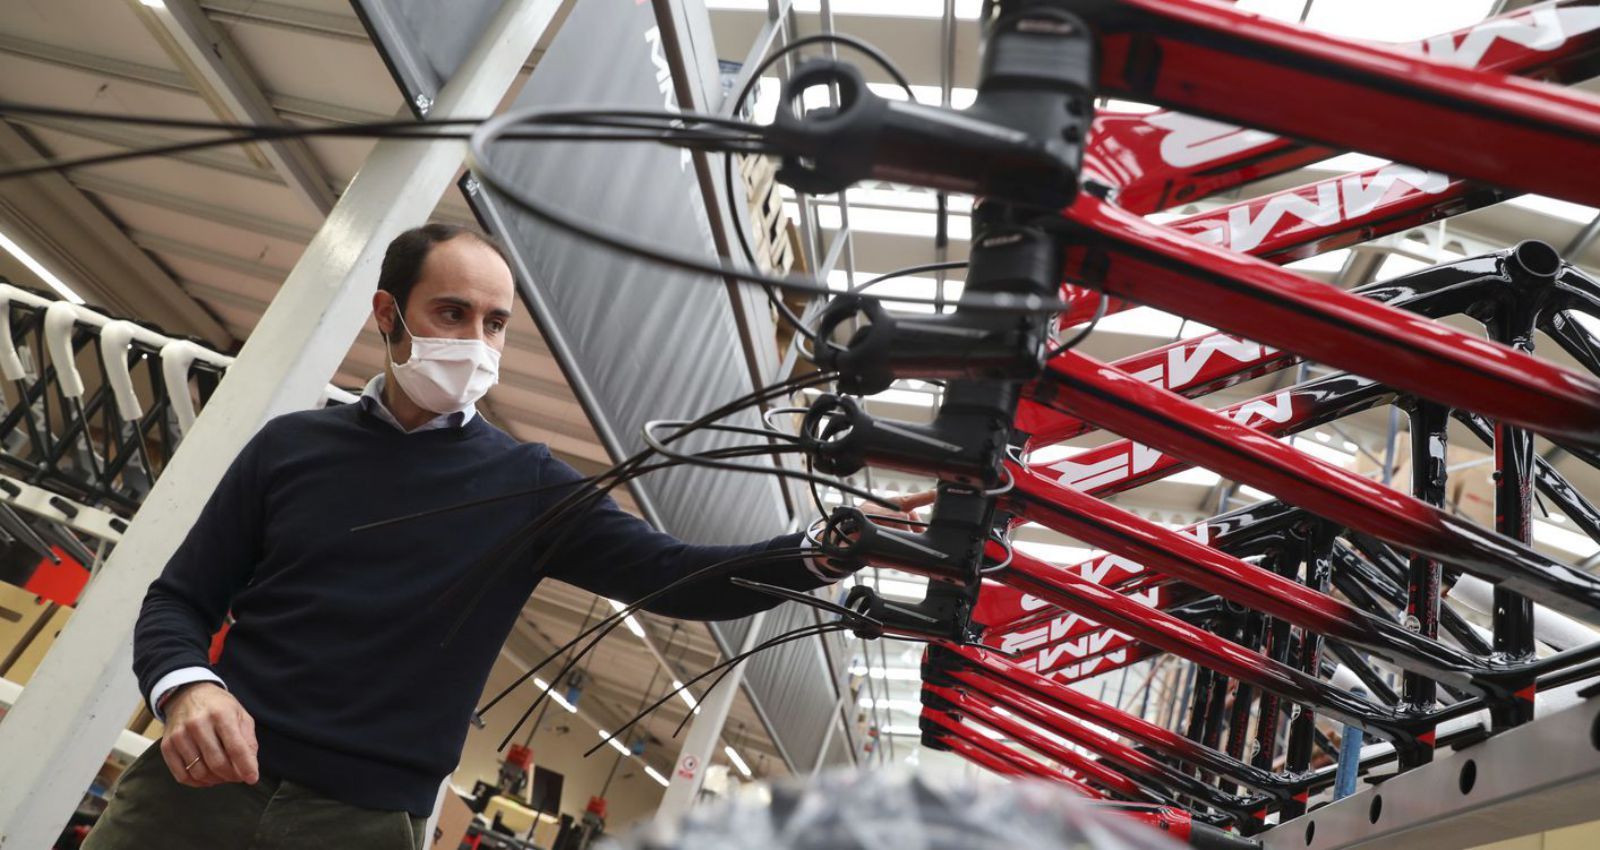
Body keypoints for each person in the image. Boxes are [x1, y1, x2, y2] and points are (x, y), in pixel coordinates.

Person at [83, 223, 875, 849]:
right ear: (388, 315)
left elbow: (678, 575)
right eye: (452, 313)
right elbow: (178, 601)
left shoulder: (528, 486)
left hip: (358, 828)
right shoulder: (290, 448)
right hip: (191, 799)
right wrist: (188, 687)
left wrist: (823, 548)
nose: (476, 343)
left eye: (495, 324)